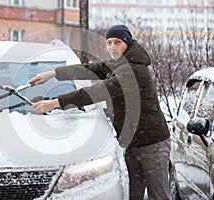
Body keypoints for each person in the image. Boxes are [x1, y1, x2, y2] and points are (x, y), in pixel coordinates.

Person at [28, 24, 170, 200]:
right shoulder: (119, 63)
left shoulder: (133, 71)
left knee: (159, 195)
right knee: (135, 195)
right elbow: (90, 69)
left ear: (127, 43)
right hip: (134, 142)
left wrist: (56, 103)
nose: (112, 47)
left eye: (117, 42)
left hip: (152, 145)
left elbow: (98, 91)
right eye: (109, 42)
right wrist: (54, 73)